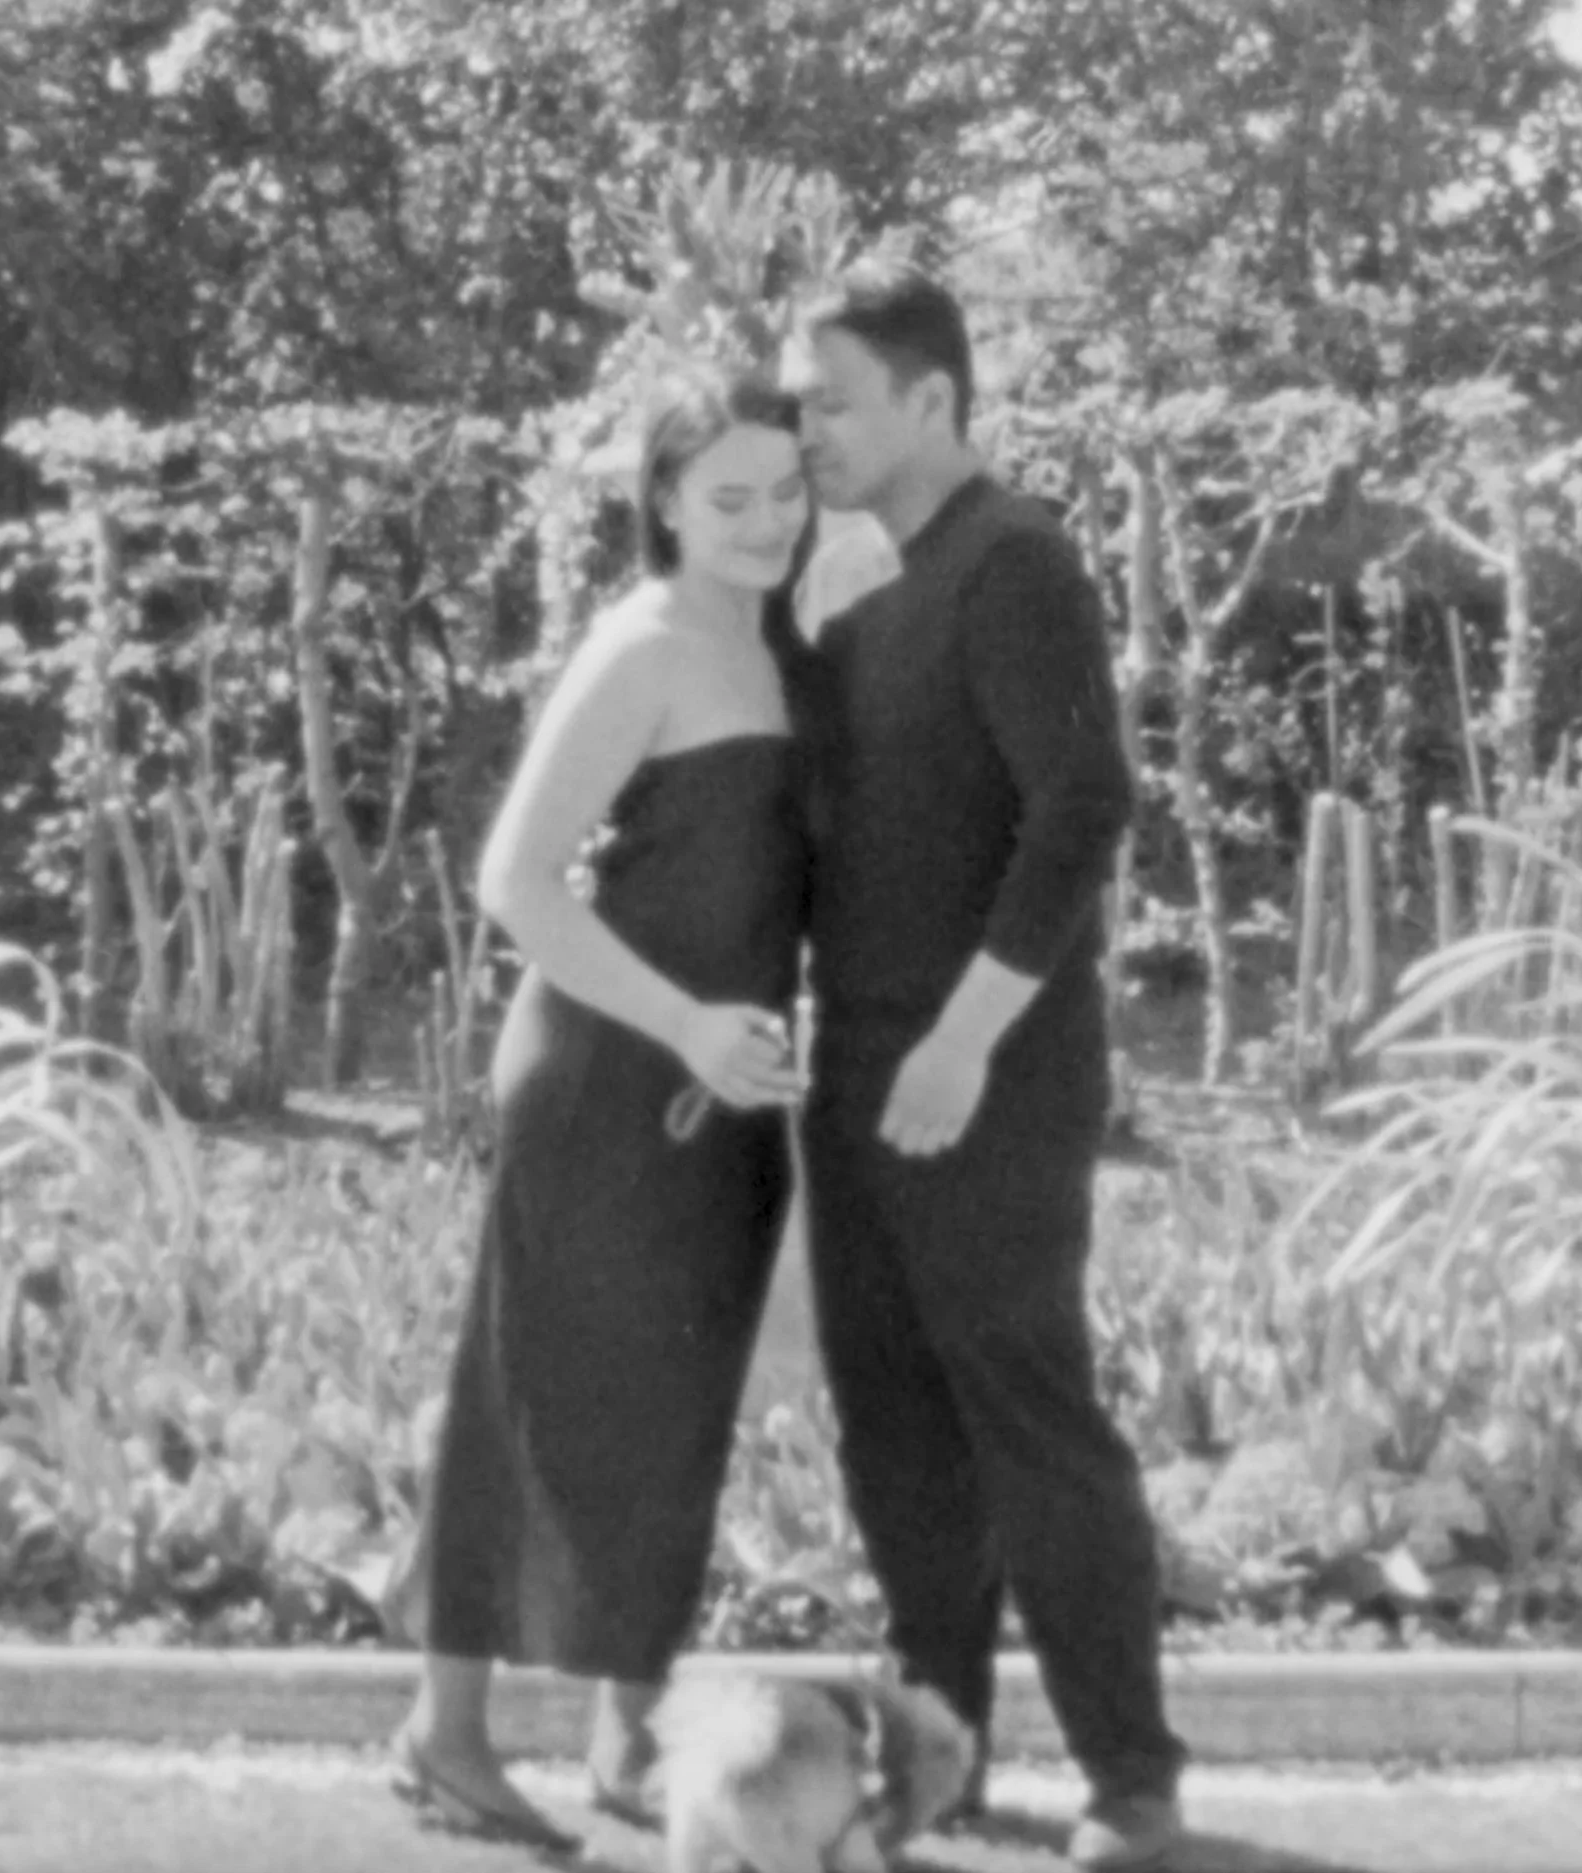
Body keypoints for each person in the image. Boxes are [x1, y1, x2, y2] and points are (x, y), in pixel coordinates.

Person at [781, 261, 1191, 1872]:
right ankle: (934, 1763)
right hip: (858, 1068)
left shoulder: (1013, 560)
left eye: (833, 403)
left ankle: (1134, 1787)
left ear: (934, 399)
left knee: (1029, 1422)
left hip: (985, 1077)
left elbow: (1082, 808)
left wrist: (962, 1041)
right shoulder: (875, 587)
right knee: (895, 1433)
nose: (808, 431)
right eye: (799, 405)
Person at [387, 367, 816, 1853]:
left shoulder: (781, 640)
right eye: (729, 497)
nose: (765, 522)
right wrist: (687, 1023)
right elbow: (512, 879)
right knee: (536, 1407)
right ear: (665, 504)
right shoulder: (643, 646)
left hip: (727, 1087)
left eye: (786, 491)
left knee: (677, 1414)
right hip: (608, 1075)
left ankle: (628, 1745)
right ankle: (443, 1740)